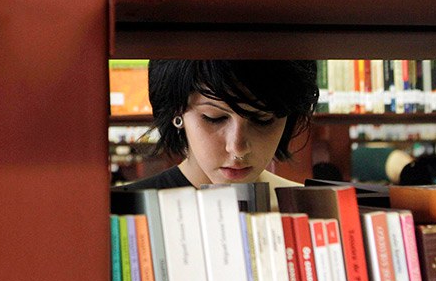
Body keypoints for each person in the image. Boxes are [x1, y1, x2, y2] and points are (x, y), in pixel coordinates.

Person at [116, 60, 320, 208]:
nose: (237, 148)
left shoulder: (312, 209)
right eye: (214, 117)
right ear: (177, 113)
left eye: (262, 120)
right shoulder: (124, 213)